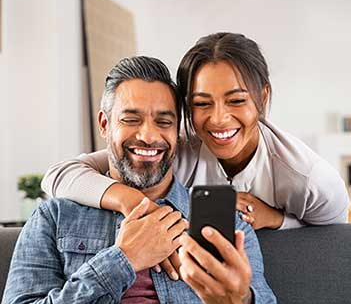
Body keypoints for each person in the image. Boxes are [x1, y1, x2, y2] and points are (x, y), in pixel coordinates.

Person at [0, 56, 285, 304]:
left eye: (164, 122)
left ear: (178, 131)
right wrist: (123, 260)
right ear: (104, 124)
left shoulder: (230, 227)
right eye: (131, 119)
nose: (148, 136)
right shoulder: (54, 217)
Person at [42, 32, 350, 231]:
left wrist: (276, 219)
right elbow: (59, 175)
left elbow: (333, 240)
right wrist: (130, 199)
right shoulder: (178, 149)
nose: (218, 119)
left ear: (263, 97)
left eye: (236, 100)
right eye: (202, 103)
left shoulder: (307, 177)